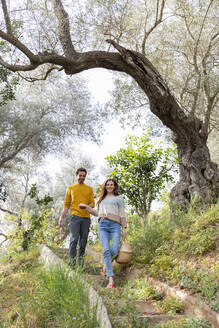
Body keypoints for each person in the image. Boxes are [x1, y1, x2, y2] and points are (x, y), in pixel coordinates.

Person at [79, 178, 127, 288]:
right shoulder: (101, 199)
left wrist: (124, 228)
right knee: (106, 250)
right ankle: (110, 280)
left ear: (115, 186)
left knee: (114, 250)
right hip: (103, 226)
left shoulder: (119, 198)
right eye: (107, 184)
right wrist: (86, 207)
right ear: (105, 186)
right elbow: (97, 213)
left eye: (111, 184)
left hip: (115, 226)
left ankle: (105, 266)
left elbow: (122, 213)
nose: (109, 186)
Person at [59, 168, 95, 266]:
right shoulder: (70, 188)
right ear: (76, 175)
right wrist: (61, 217)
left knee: (83, 241)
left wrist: (86, 206)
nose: (82, 178)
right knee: (74, 239)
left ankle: (81, 263)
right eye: (80, 175)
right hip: (75, 217)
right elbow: (66, 205)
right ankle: (72, 263)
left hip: (86, 218)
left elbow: (92, 204)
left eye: (84, 176)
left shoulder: (89, 189)